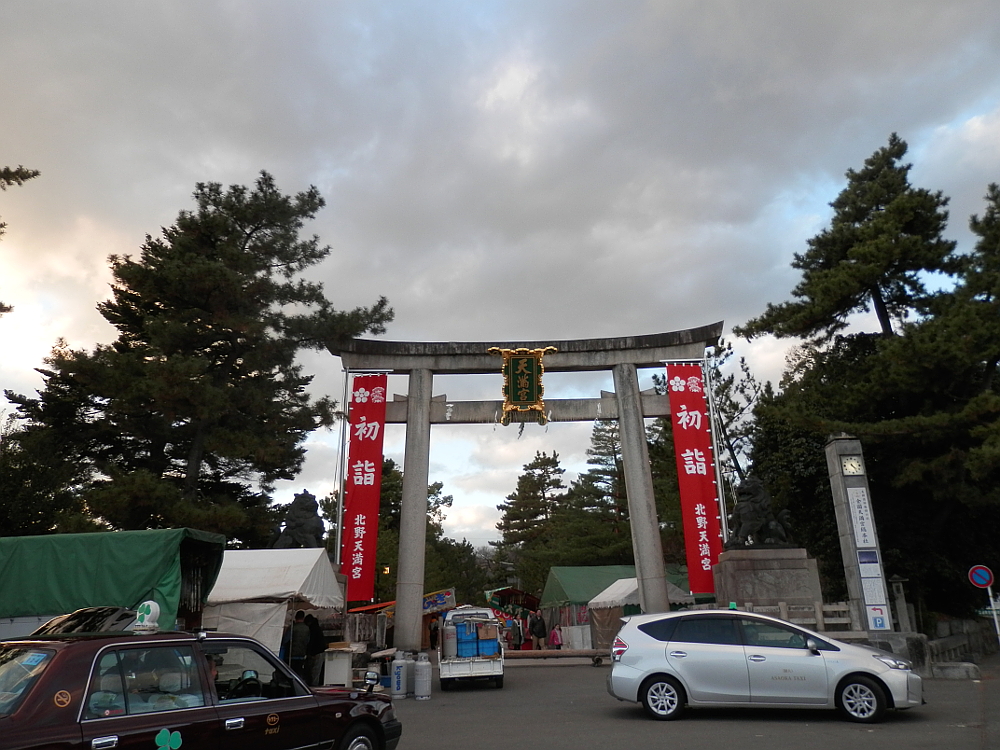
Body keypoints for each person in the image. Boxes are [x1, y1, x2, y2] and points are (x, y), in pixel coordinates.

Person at [304, 613, 327, 686]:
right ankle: (314, 685)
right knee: (316, 672)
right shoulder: (317, 627)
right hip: (320, 652)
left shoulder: (312, 629)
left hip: (316, 653)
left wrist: (308, 653)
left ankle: (313, 687)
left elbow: (311, 641)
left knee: (314, 672)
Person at [289, 610, 310, 681]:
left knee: (291, 673)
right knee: (299, 673)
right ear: (303, 618)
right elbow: (308, 641)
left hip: (292, 655)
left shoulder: (292, 628)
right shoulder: (307, 628)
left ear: (295, 617)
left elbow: (286, 639)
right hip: (302, 655)